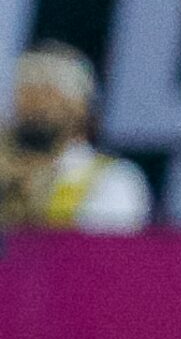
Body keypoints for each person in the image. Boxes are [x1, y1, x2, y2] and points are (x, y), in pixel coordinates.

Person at [1, 44, 149, 233]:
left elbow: (98, 254)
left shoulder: (113, 179)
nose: (34, 105)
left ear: (80, 108)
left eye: (48, 93)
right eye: (25, 93)